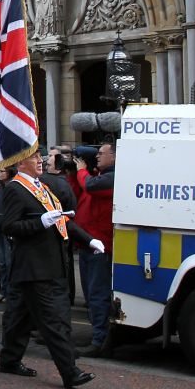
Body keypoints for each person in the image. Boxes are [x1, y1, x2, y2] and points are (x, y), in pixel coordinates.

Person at [0, 147, 103, 388]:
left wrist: (88, 240)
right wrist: (39, 223)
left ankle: (9, 360)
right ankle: (70, 372)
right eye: (34, 157)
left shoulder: (41, 187)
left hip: (47, 264)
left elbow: (61, 218)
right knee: (53, 320)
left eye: (39, 157)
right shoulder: (15, 188)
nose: (40, 161)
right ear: (19, 162)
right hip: (35, 266)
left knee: (19, 318)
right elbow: (9, 226)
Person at [65, 143, 115, 356]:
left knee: (98, 294)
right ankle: (97, 335)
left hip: (100, 246)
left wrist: (81, 171)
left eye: (101, 154)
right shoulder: (96, 176)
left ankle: (100, 340)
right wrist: (71, 172)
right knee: (91, 294)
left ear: (114, 156)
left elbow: (90, 186)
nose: (97, 157)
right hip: (87, 244)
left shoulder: (111, 178)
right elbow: (77, 191)